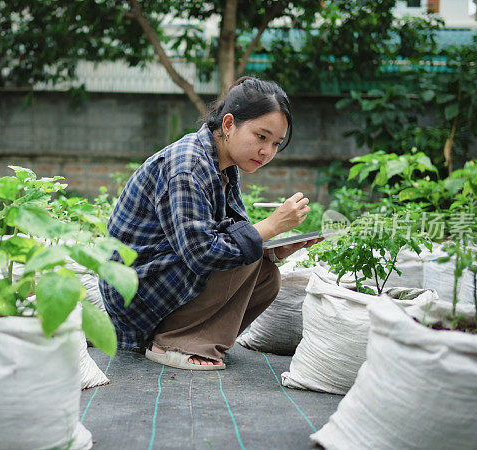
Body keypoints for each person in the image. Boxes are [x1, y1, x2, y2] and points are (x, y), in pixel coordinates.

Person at [99, 76, 322, 370]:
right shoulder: (188, 165)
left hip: (166, 280)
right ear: (228, 124)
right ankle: (171, 346)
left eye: (276, 143)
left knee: (266, 274)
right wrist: (271, 226)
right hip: (135, 293)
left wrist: (274, 249)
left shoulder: (223, 165)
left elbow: (229, 234)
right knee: (243, 252)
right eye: (261, 136)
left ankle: (188, 337)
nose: (267, 151)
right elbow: (203, 252)